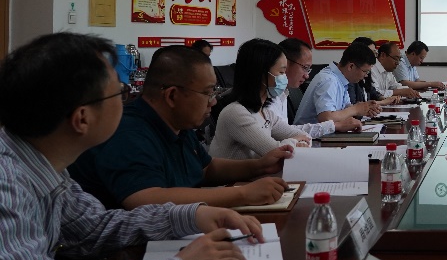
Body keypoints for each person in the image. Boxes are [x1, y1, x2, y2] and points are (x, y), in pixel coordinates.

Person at [0, 33, 264, 260]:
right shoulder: (7, 182)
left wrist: (191, 215)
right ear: (82, 119)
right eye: (120, 92)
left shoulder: (46, 165)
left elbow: (93, 229)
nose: (129, 100)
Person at [69, 46, 292, 209]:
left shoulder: (179, 123)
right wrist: (242, 194)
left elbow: (206, 169)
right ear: (172, 96)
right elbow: (145, 199)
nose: (213, 101)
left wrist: (259, 166)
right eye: (208, 93)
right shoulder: (129, 132)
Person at [209, 39, 312, 160]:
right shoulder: (235, 113)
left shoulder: (265, 113)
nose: (285, 77)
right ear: (261, 74)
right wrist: (295, 141)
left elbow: (305, 136)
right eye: (281, 72)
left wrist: (297, 142)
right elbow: (276, 153)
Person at [293, 42, 380, 127]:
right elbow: (326, 118)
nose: (366, 75)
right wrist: (355, 109)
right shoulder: (328, 80)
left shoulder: (341, 79)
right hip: (308, 135)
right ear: (351, 66)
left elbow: (345, 109)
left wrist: (364, 108)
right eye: (365, 71)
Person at [266, 38, 339, 137]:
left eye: (308, 69)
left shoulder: (283, 92)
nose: (307, 76)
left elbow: (285, 130)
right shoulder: (269, 94)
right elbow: (280, 133)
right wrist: (333, 126)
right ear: (285, 63)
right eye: (305, 68)